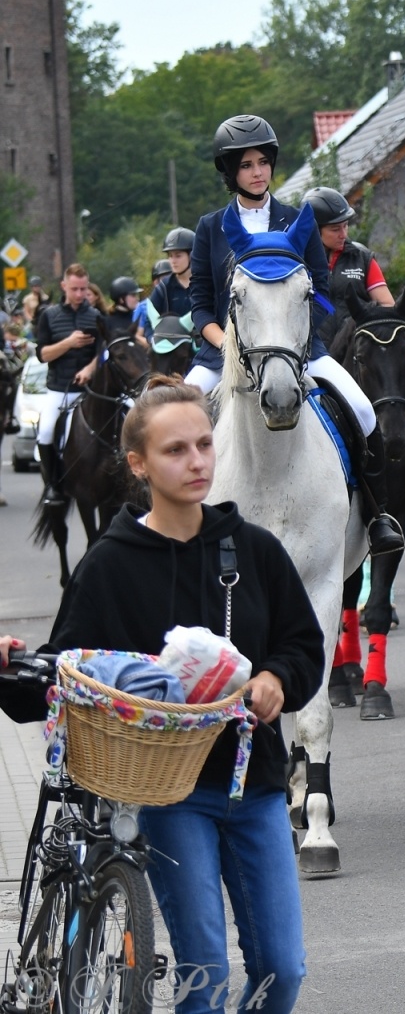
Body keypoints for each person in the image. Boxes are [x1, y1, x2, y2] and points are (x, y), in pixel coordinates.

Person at [38, 375, 321, 1014]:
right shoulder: (110, 562)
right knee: (205, 974)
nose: (196, 462)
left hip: (256, 784)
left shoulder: (254, 550)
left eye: (203, 445)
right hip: (169, 793)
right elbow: (65, 670)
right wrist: (14, 666)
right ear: (138, 464)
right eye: (175, 450)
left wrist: (277, 677)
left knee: (283, 969)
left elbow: (303, 647)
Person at [186, 114, 405, 555]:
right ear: (231, 172)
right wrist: (225, 343)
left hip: (300, 350)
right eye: (247, 165)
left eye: (264, 162)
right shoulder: (211, 227)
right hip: (223, 355)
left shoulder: (297, 220)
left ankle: (379, 514)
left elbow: (320, 291)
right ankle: (162, 527)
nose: (258, 172)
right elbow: (200, 304)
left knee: (362, 410)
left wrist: (294, 339)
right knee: (169, 417)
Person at [301, 186, 405, 523]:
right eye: (335, 228)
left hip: (361, 357)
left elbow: (387, 306)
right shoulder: (297, 260)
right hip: (309, 354)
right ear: (314, 231)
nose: (344, 233)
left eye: (346, 225)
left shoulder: (361, 258)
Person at [33, 263, 101, 507]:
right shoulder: (49, 316)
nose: (80, 294)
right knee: (46, 430)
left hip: (89, 391)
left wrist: (89, 369)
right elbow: (43, 354)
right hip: (59, 389)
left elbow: (102, 352)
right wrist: (69, 343)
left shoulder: (94, 316)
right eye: (75, 289)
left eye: (84, 289)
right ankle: (52, 485)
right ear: (64, 286)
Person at [137, 227, 196, 342]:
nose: (173, 261)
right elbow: (149, 321)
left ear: (191, 255)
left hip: (202, 346)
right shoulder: (163, 287)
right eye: (170, 256)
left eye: (178, 256)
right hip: (171, 349)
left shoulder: (206, 283)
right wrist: (152, 340)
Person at [104, 275, 141, 340]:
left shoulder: (139, 316)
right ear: (121, 299)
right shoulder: (108, 322)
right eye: (133, 295)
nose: (137, 298)